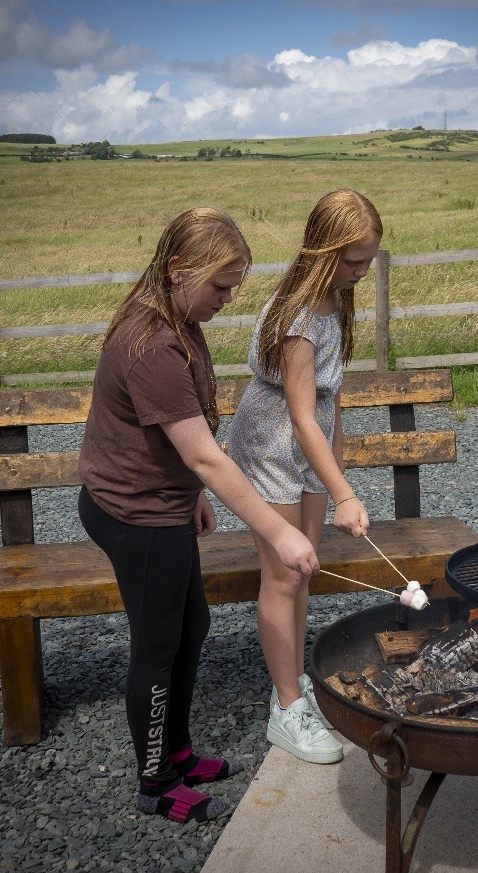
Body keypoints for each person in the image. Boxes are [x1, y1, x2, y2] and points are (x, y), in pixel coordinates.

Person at [77, 207, 320, 826]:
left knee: (193, 627)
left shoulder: (177, 320)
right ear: (180, 269)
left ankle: (179, 753)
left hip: (162, 504)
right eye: (221, 284)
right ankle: (155, 783)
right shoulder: (153, 344)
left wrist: (190, 493)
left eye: (236, 284)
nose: (229, 298)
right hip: (136, 517)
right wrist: (279, 528)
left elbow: (175, 440)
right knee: (158, 648)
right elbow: (206, 457)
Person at [228, 189, 382, 764]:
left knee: (304, 567)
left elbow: (329, 400)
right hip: (272, 445)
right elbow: (297, 411)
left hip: (310, 446)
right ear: (322, 250)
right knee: (283, 575)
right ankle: (288, 710)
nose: (362, 272)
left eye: (369, 261)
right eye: (353, 261)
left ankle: (288, 685)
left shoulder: (334, 299)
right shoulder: (296, 315)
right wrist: (344, 492)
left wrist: (336, 474)